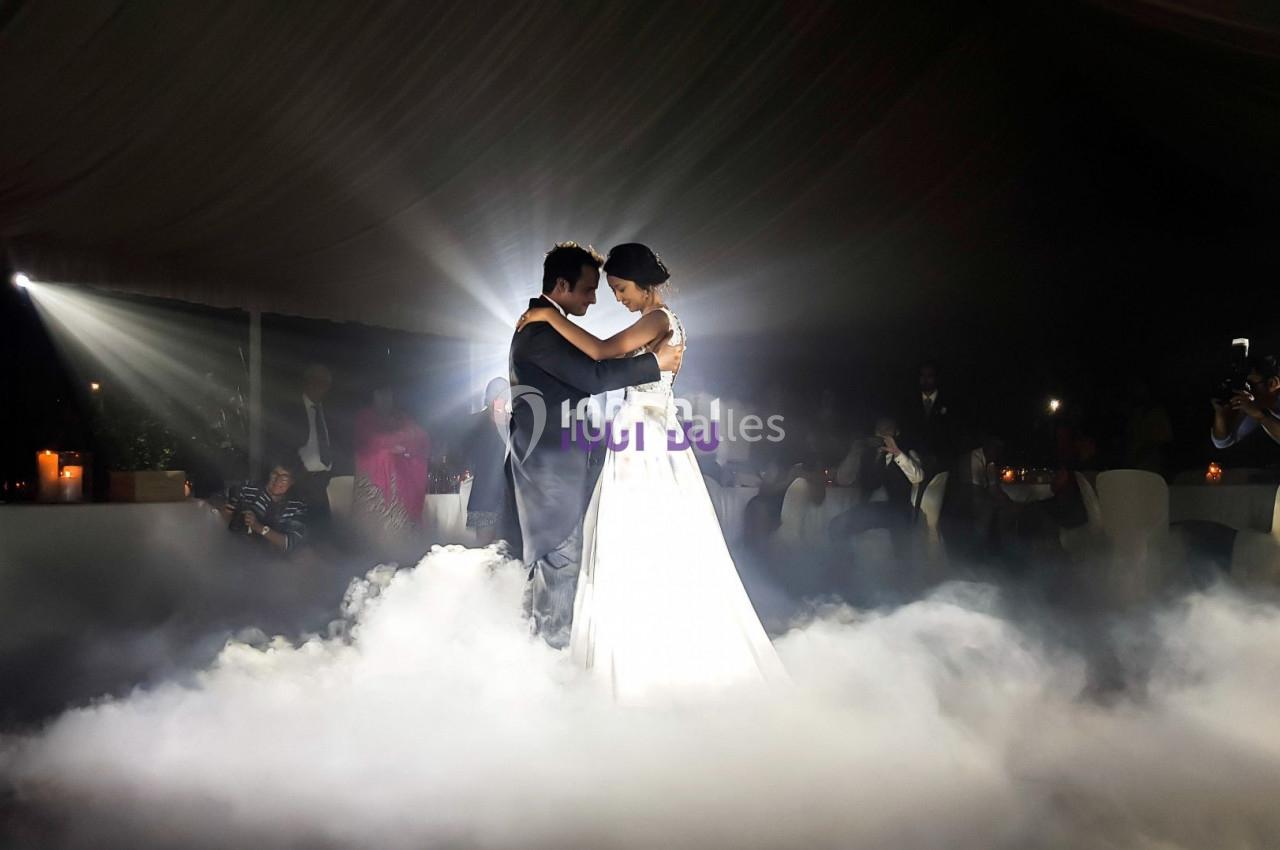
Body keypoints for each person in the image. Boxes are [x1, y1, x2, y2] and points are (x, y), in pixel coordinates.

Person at [517, 242, 786, 702]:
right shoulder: (658, 321)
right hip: (641, 434)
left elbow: (601, 354)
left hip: (644, 439)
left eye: (620, 289)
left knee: (637, 537)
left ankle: (643, 653)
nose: (616, 298)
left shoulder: (658, 319)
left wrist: (550, 318)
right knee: (634, 538)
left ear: (642, 285)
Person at [508, 242, 684, 651]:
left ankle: (542, 652)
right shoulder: (539, 330)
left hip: (609, 448)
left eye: (614, 289)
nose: (599, 298)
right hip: (551, 464)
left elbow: (596, 359)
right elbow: (594, 373)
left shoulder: (550, 323)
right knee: (562, 557)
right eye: (590, 290)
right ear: (563, 284)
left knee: (569, 557)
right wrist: (653, 364)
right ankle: (548, 656)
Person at [352, 386, 429, 560]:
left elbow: (419, 436)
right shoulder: (365, 418)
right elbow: (370, 440)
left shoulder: (399, 417)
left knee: (401, 539)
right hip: (373, 486)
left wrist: (402, 447)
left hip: (400, 486)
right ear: (374, 397)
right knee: (373, 540)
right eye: (380, 395)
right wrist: (391, 446)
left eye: (387, 396)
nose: (384, 400)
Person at [829, 416, 924, 553]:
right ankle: (845, 567)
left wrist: (897, 453)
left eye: (888, 430)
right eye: (879, 430)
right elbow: (843, 479)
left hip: (897, 509)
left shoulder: (907, 453)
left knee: (899, 532)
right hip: (868, 509)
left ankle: (903, 570)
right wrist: (854, 452)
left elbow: (918, 478)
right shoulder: (866, 453)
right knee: (836, 525)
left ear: (897, 433)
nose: (883, 434)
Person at [274, 363, 335, 527]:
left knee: (323, 532)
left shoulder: (327, 410)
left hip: (323, 481)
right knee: (299, 532)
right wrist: (299, 474)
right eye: (317, 381)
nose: (321, 387)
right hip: (300, 481)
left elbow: (334, 442)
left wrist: (330, 472)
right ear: (307, 382)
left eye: (325, 383)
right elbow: (282, 445)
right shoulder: (291, 409)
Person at [463, 377, 511, 546]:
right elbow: (465, 454)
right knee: (485, 551)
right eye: (497, 395)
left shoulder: (514, 422)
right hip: (485, 496)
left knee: (506, 551)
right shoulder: (475, 423)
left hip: (508, 497)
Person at [221, 461, 309, 554]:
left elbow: (290, 543)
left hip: (272, 562)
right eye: (275, 474)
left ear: (292, 482)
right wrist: (224, 513)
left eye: (284, 478)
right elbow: (217, 502)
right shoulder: (247, 488)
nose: (277, 480)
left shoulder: (297, 506)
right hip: (235, 551)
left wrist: (257, 526)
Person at [1211, 354, 1280, 449]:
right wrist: (1220, 414)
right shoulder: (1258, 404)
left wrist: (1259, 415)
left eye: (1250, 384)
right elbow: (1222, 442)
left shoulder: (1258, 408)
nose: (1247, 390)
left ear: (1273, 383)